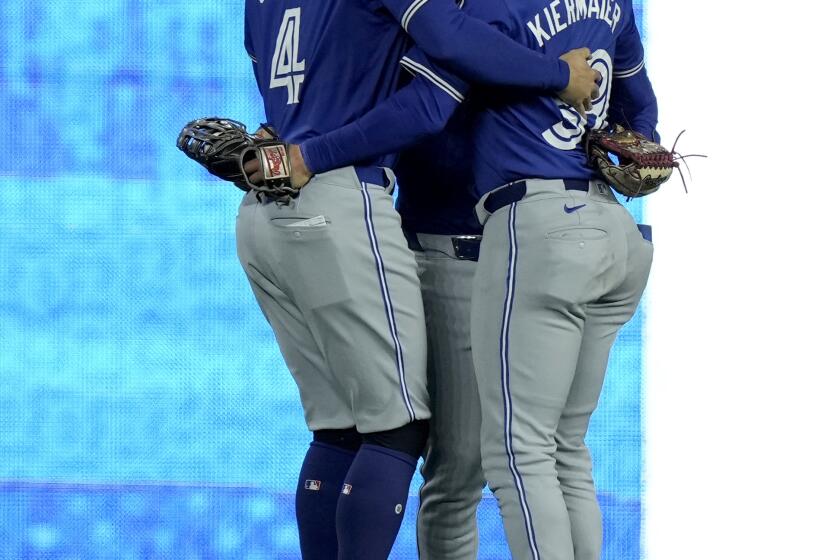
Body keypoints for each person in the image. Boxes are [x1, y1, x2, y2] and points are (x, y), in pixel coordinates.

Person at [271, 1, 659, 556]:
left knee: (513, 457)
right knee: (544, 454)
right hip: (561, 234)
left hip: (521, 239)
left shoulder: (478, 11)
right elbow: (639, 103)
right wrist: (623, 136)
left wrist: (309, 152)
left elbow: (429, 100)